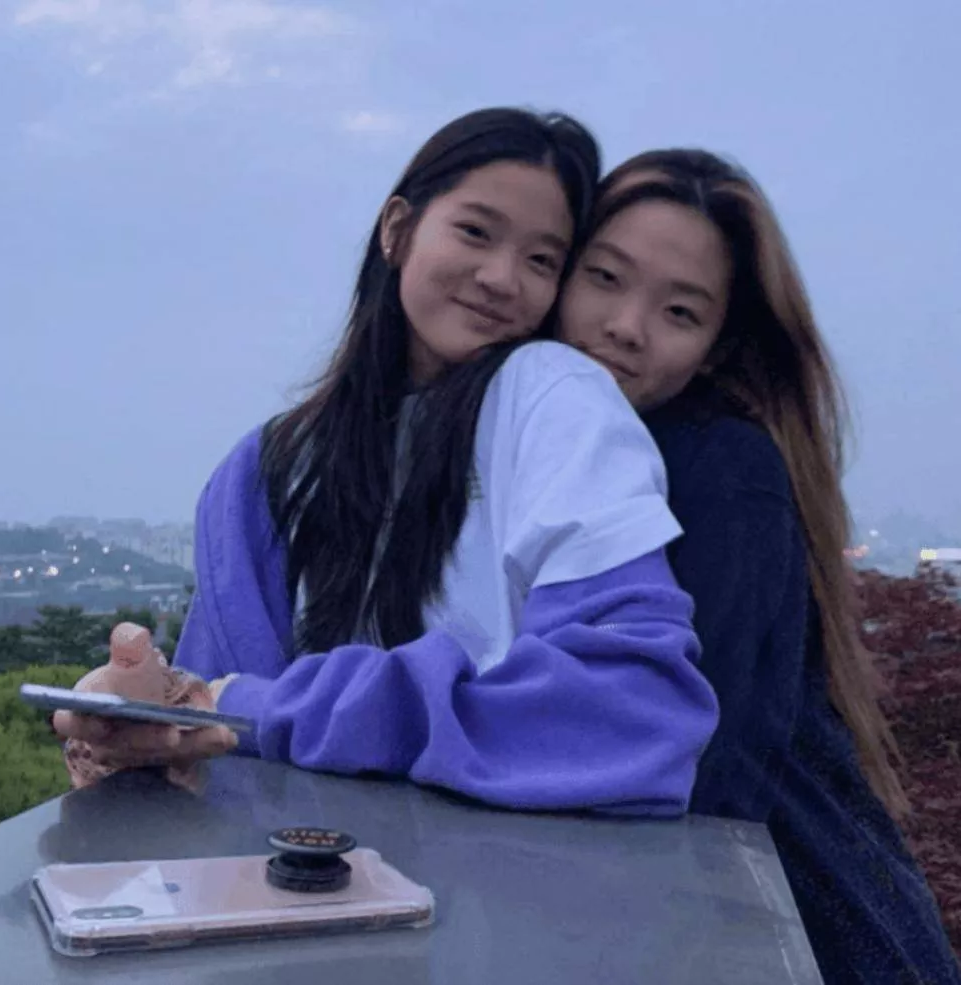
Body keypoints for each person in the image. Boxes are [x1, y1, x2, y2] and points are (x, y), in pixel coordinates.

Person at [55, 107, 720, 815]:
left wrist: (262, 709)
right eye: (476, 232)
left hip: (503, 877)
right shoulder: (263, 473)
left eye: (541, 261)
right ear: (398, 229)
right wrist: (139, 710)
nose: (501, 278)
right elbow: (208, 735)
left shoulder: (552, 397)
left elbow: (632, 709)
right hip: (289, 873)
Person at [557, 148, 960, 983]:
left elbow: (706, 762)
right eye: (605, 277)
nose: (626, 325)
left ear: (714, 347)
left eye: (679, 311)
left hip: (797, 927)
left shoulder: (720, 468)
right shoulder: (566, 450)